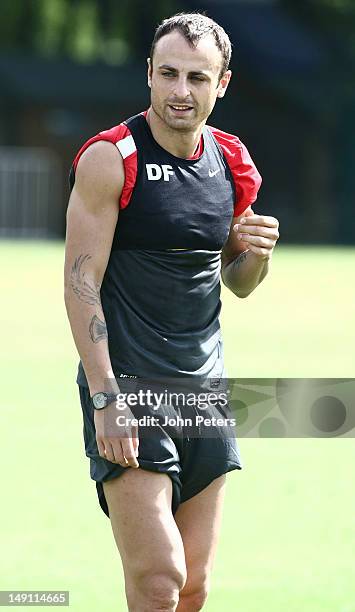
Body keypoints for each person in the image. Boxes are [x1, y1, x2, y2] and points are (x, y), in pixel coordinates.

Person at [64, 12, 279, 612]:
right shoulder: (112, 157)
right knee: (159, 579)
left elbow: (238, 284)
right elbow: (80, 282)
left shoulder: (231, 162)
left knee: (192, 588)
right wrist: (105, 398)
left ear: (222, 84)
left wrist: (254, 255)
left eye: (196, 78)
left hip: (203, 389)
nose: (180, 91)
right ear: (149, 75)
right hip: (128, 384)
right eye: (168, 74)